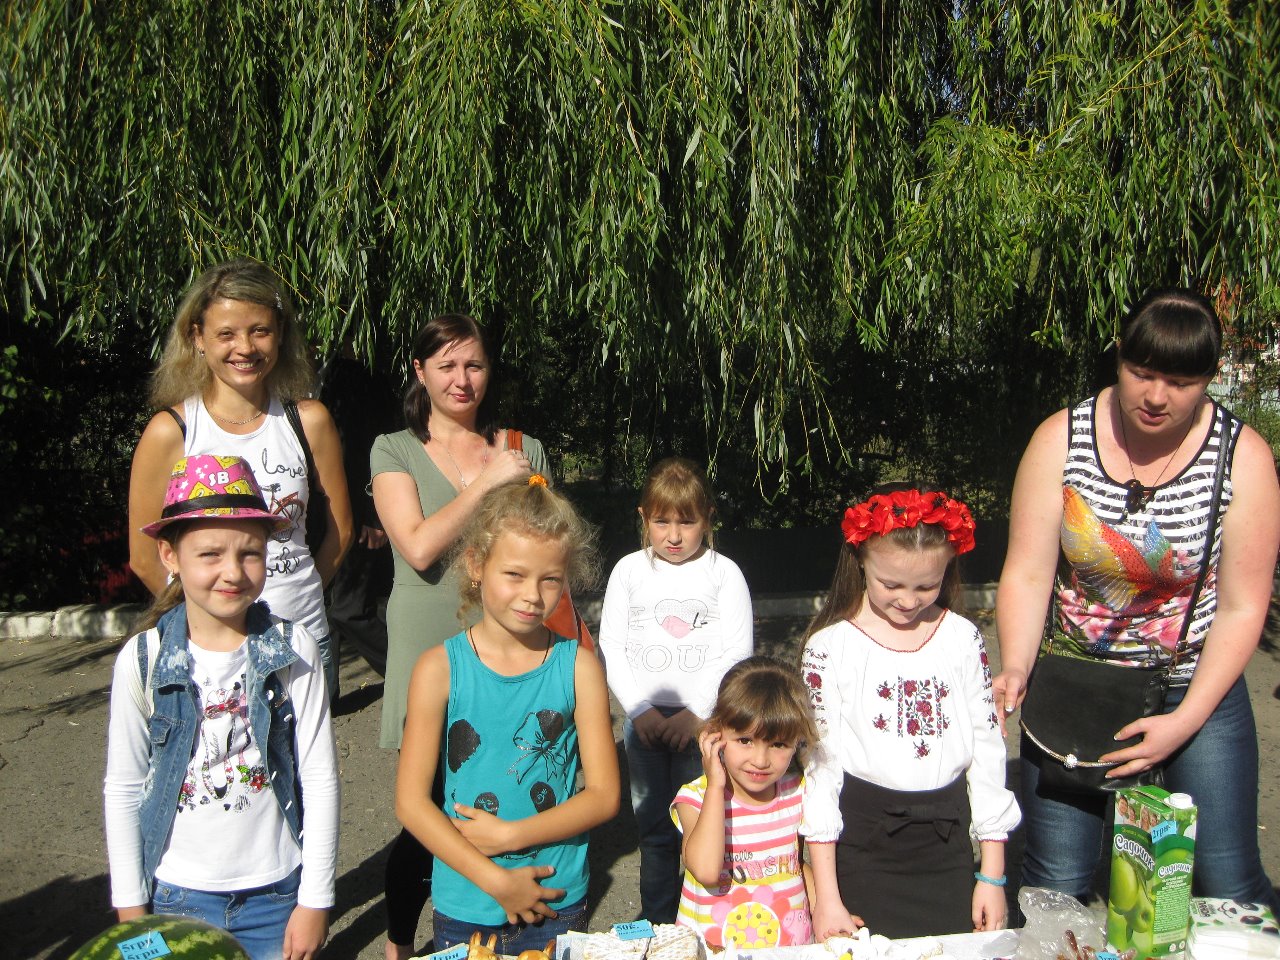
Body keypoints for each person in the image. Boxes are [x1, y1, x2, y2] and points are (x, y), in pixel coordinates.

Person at [992, 287, 1280, 912]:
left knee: (1227, 882)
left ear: (1210, 378)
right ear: (1118, 355)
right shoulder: (1061, 438)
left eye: (1180, 382)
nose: (1155, 396)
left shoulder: (1243, 457)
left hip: (1195, 682)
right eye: (1141, 372)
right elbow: (1028, 573)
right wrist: (1016, 663)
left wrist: (1185, 720)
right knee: (1054, 886)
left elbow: (1242, 606)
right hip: (1077, 683)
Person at [105, 455, 339, 960]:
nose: (232, 572)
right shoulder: (143, 660)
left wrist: (315, 899)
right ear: (170, 555)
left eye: (250, 553)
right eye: (210, 554)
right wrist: (131, 912)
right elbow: (123, 788)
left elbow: (319, 777)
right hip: (175, 896)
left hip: (277, 894)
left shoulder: (293, 648)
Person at [371, 313, 548, 959]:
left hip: (507, 642)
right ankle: (399, 942)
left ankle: (496, 932)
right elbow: (418, 547)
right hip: (426, 639)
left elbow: (544, 548)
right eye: (445, 365)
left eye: (473, 364)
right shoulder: (393, 449)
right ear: (420, 372)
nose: (461, 379)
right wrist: (489, 483)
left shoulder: (523, 448)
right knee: (428, 808)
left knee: (504, 790)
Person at [394, 478, 619, 953]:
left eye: (550, 579)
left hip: (556, 897)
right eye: (514, 574)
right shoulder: (438, 669)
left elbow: (603, 796)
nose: (533, 595)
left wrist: (510, 835)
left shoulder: (578, 667)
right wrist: (496, 881)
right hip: (467, 901)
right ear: (476, 564)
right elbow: (411, 803)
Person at [127, 259, 353, 703]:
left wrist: (302, 594)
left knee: (310, 752)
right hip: (210, 653)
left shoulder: (309, 422)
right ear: (197, 337)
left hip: (304, 642)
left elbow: (341, 532)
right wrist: (208, 615)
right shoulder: (171, 432)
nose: (244, 348)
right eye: (226, 333)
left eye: (260, 330)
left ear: (280, 333)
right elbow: (145, 557)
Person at [800, 484, 1019, 940]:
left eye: (926, 586)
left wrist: (992, 875)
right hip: (863, 850)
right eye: (891, 584)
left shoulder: (962, 638)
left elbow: (987, 752)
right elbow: (821, 771)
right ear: (860, 560)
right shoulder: (829, 648)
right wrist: (827, 898)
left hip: (947, 848)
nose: (908, 600)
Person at [598, 457, 754, 924]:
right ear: (643, 517)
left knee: (703, 826)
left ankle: (706, 920)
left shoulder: (723, 573)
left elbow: (738, 651)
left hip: (704, 727)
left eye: (687, 522)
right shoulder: (628, 571)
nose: (673, 535)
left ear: (707, 518)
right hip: (643, 727)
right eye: (661, 521)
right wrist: (639, 711)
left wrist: (697, 714)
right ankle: (657, 923)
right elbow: (612, 646)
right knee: (654, 833)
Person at [671, 656, 818, 949]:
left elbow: (797, 865)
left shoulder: (797, 792)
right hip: (713, 951)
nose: (760, 760)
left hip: (789, 950)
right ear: (716, 733)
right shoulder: (696, 797)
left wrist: (825, 912)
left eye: (778, 744)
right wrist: (716, 786)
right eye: (745, 740)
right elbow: (706, 871)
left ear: (797, 742)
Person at [317, 342, 400, 676]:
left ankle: (412, 674)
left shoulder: (358, 378)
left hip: (356, 514)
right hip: (327, 515)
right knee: (327, 607)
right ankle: (328, 692)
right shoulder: (321, 375)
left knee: (348, 609)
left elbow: (368, 447)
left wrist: (373, 514)